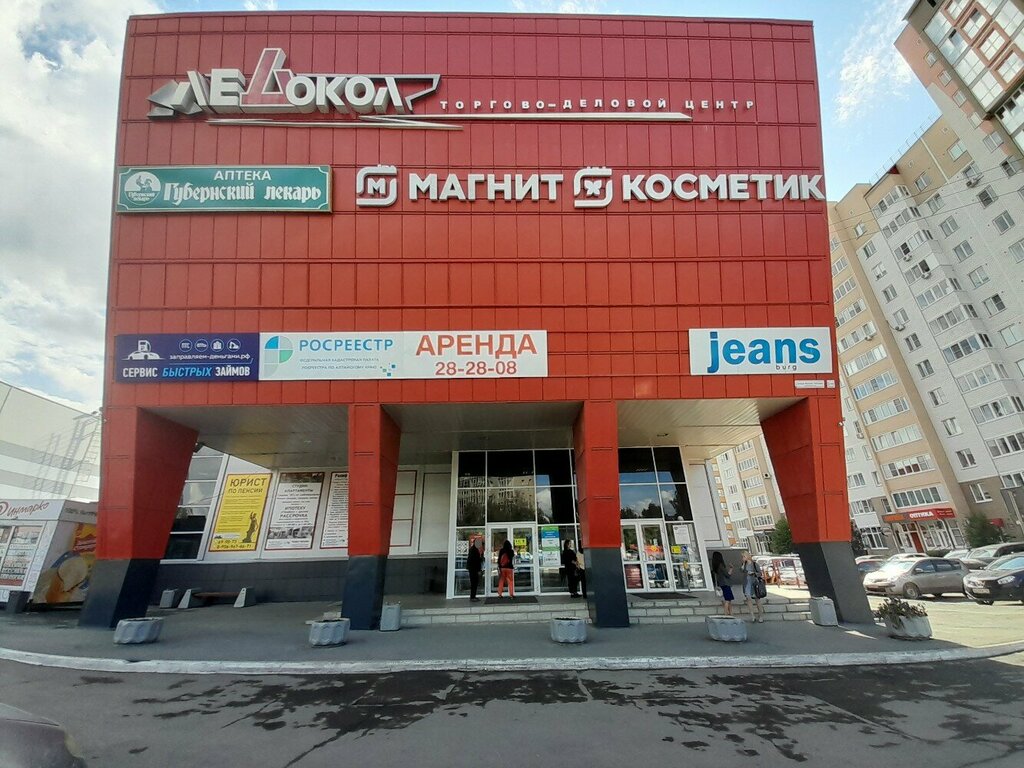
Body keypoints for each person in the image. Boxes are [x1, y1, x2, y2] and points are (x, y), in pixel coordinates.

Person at [741, 550, 766, 623]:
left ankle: (760, 616)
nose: (742, 558)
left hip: (754, 583)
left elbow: (760, 573)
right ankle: (752, 616)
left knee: (757, 599)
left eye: (743, 556)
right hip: (747, 583)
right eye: (742, 557)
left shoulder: (754, 564)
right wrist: (743, 565)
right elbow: (741, 571)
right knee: (748, 599)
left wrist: (754, 573)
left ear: (747, 556)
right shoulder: (744, 564)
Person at [710, 551, 734, 615]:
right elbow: (727, 574)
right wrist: (731, 568)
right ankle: (726, 614)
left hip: (722, 584)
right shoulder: (721, 565)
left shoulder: (715, 566)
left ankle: (730, 613)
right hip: (726, 584)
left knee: (728, 599)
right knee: (728, 600)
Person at [466, 536, 483, 602]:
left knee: (474, 583)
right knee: (474, 583)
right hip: (473, 569)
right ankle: (472, 597)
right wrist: (478, 570)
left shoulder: (473, 549)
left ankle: (473, 596)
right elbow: (475, 561)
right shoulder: (474, 550)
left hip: (473, 569)